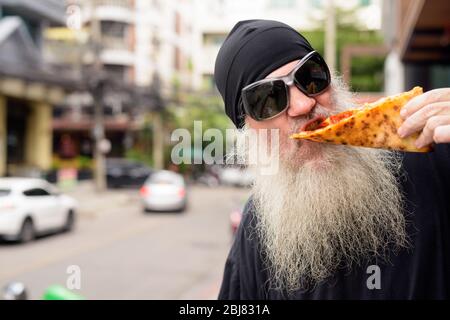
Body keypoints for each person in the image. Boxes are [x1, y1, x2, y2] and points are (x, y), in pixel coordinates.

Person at [213, 19, 450, 299]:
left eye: (310, 77)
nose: (304, 104)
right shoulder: (257, 231)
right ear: (250, 131)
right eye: (269, 99)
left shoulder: (429, 156)